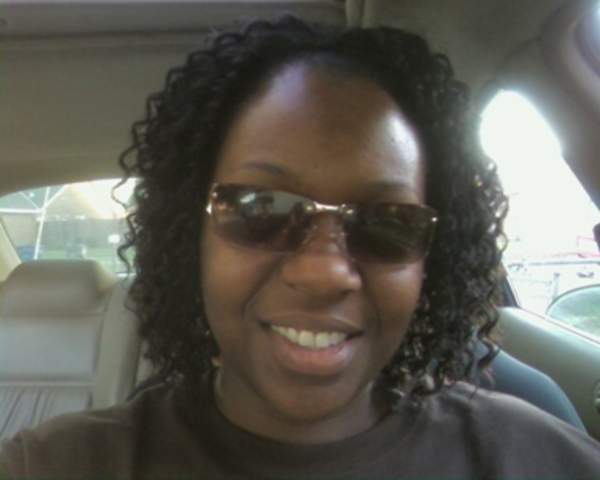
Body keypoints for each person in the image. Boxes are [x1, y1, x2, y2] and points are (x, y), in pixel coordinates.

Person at [2, 15, 600, 479]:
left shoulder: (534, 460)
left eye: (387, 222)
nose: (324, 273)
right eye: (262, 209)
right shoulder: (58, 465)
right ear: (191, 237)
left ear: (430, 259)